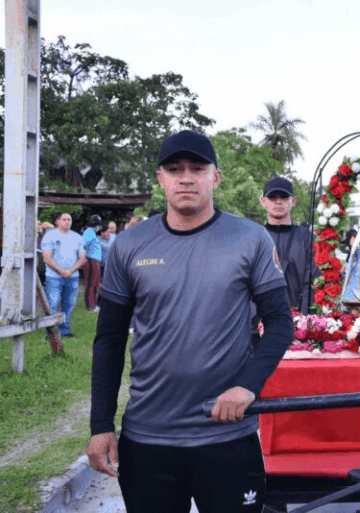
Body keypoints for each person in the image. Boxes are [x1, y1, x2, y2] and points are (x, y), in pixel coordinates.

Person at [86, 130, 294, 512]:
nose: (186, 178)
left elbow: (280, 322)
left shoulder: (251, 238)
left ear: (216, 177)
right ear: (160, 178)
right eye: (174, 169)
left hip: (227, 434)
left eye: (197, 168)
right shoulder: (130, 245)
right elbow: (110, 339)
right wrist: (100, 425)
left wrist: (248, 386)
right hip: (148, 438)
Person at [260, 175, 317, 313]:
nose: (278, 202)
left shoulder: (307, 237)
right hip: (262, 319)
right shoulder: (254, 237)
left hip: (298, 317)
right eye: (272, 197)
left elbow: (312, 281)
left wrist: (302, 316)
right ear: (263, 201)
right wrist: (256, 319)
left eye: (284, 197)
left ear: (293, 201)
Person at [41, 212, 86, 338]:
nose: (67, 222)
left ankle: (65, 330)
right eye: (64, 219)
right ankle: (52, 332)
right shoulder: (49, 236)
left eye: (69, 219)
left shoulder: (77, 237)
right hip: (54, 277)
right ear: (57, 222)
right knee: (53, 304)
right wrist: (61, 271)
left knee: (69, 304)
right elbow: (47, 257)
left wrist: (71, 271)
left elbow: (82, 258)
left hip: (72, 277)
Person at [81, 214, 103, 312]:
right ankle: (90, 305)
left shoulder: (93, 233)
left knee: (96, 283)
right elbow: (83, 245)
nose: (99, 226)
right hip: (91, 260)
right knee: (91, 283)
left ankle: (93, 303)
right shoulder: (89, 232)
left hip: (95, 260)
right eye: (98, 224)